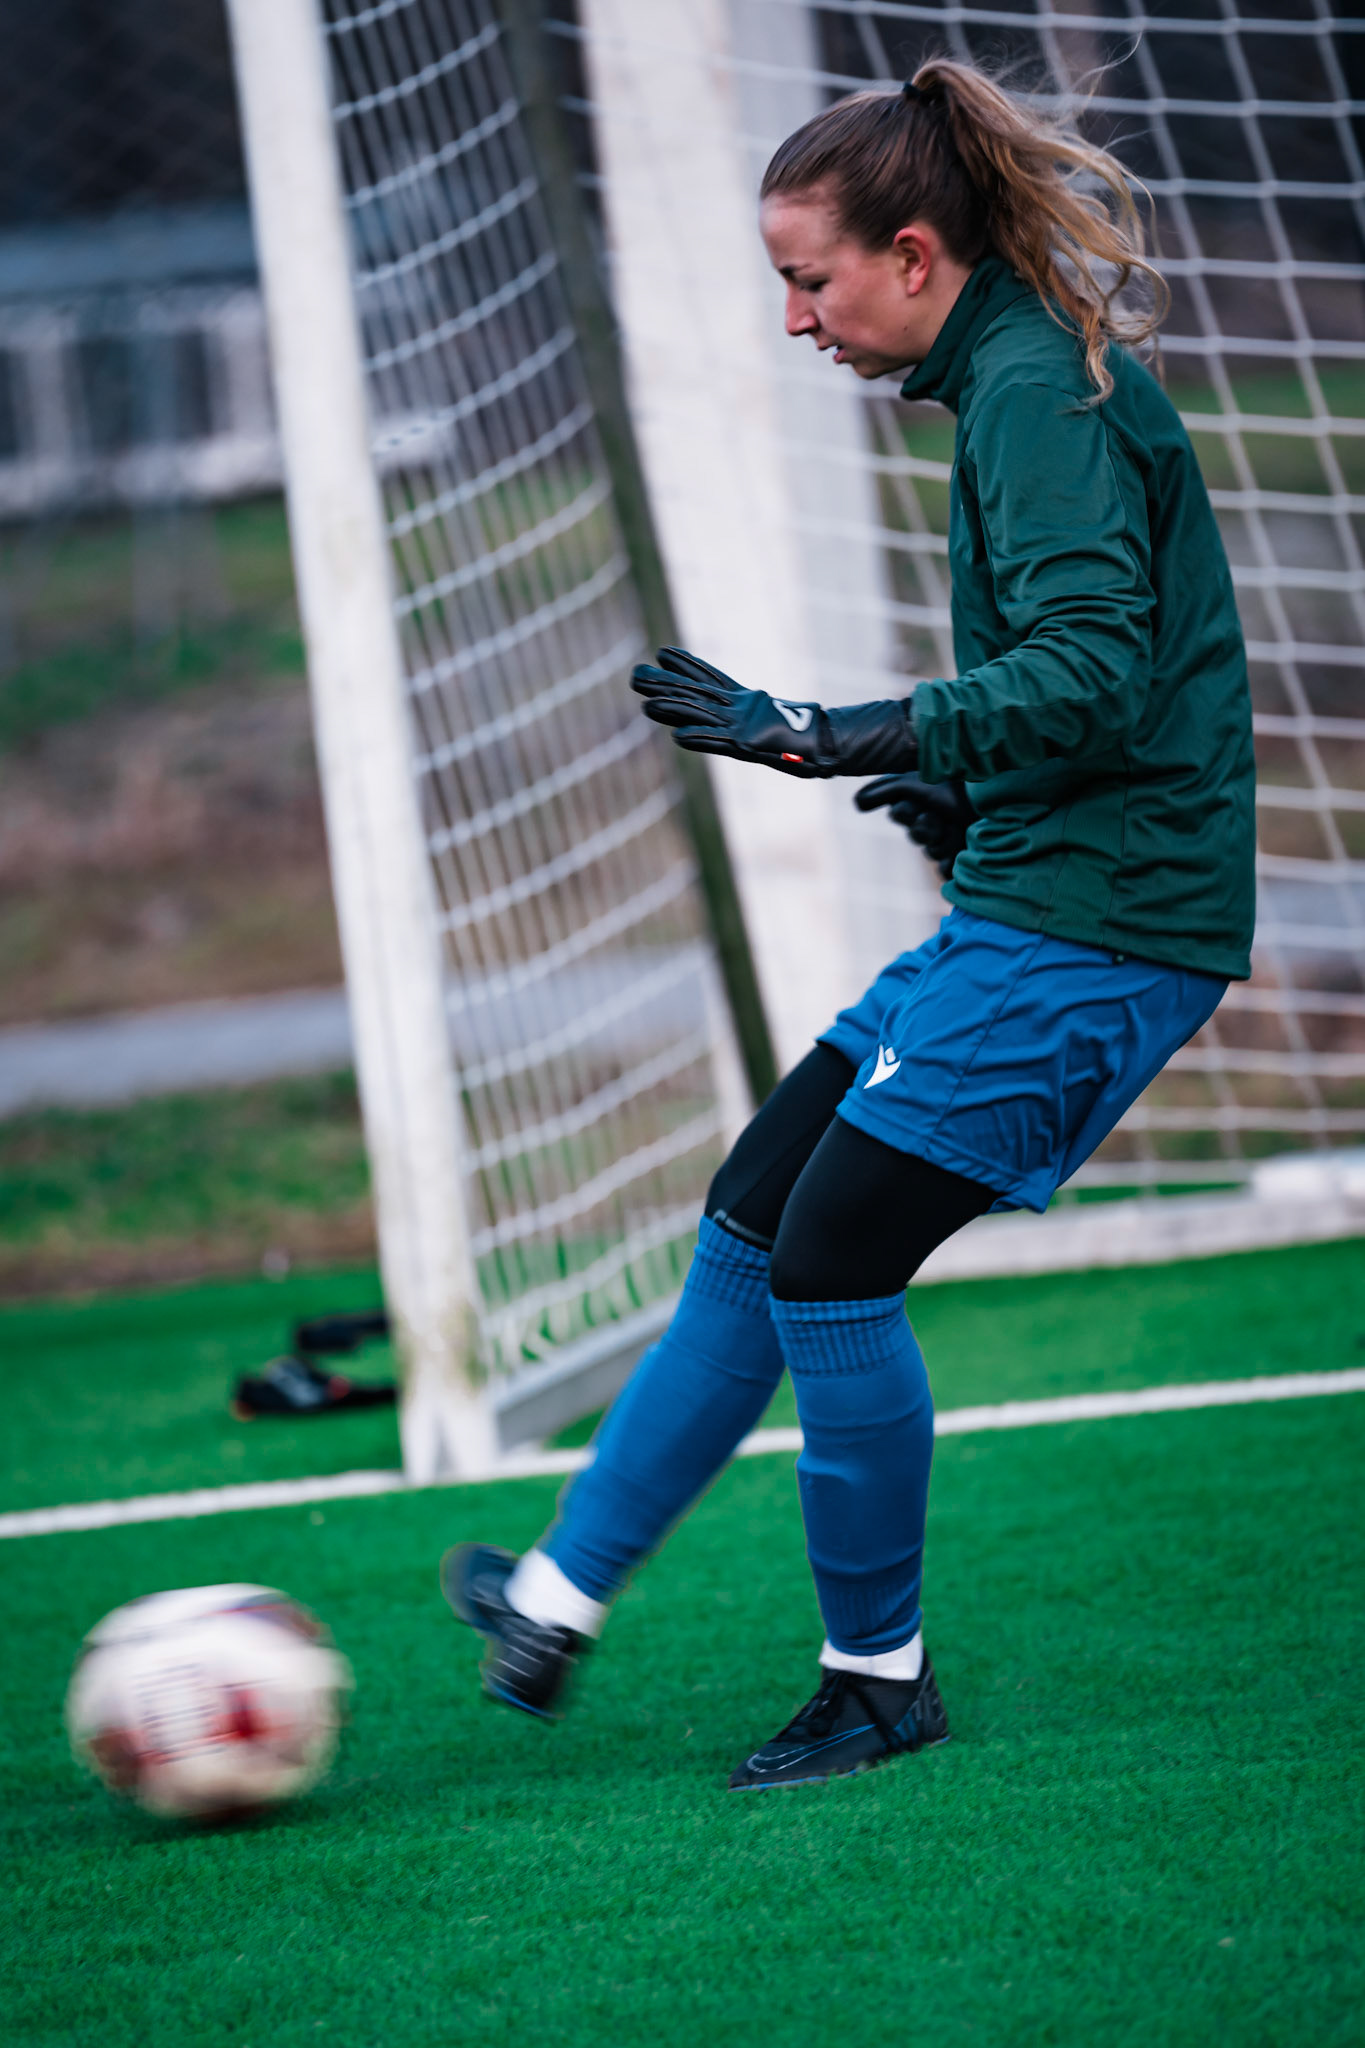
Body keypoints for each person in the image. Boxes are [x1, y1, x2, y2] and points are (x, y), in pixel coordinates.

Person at [442, 60, 1256, 1789]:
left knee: (830, 1262)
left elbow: (1097, 666)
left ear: (907, 253)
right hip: (1039, 897)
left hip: (1107, 930)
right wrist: (971, 793)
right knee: (753, 1212)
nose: (797, 318)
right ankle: (557, 1595)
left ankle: (878, 1681)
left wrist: (841, 734)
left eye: (807, 280)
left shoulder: (1039, 394)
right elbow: (1110, 688)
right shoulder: (1006, 377)